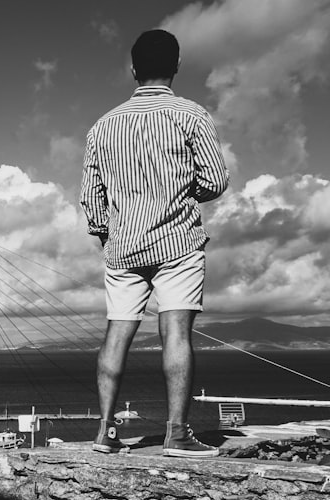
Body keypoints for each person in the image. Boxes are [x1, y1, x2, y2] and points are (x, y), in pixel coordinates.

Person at [80, 29, 229, 458]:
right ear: (177, 66)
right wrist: (179, 196)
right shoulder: (191, 115)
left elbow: (92, 198)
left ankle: (106, 432)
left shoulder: (102, 126)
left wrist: (109, 232)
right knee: (176, 333)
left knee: (116, 333)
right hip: (178, 241)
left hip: (123, 245)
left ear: (133, 70)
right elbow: (215, 180)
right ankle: (177, 434)